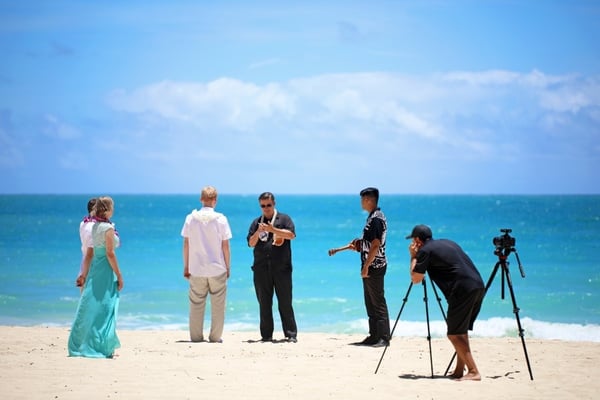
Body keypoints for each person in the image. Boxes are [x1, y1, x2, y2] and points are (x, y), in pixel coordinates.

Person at [407, 224, 485, 381]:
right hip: (477, 286)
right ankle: (458, 370)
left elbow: (416, 278)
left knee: (454, 334)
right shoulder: (448, 242)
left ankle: (473, 371)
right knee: (461, 332)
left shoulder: (424, 251)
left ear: (417, 240)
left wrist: (413, 256)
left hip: (462, 290)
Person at [68, 196, 124, 358]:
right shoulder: (107, 228)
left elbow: (91, 252)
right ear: (107, 210)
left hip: (96, 266)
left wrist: (83, 273)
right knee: (106, 307)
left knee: (92, 306)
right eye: (113, 207)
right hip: (104, 268)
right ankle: (104, 346)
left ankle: (86, 343)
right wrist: (119, 275)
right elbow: (110, 253)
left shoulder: (93, 226)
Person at [181, 186, 232, 343]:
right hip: (217, 268)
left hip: (196, 269)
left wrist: (186, 266)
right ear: (215, 200)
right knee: (218, 305)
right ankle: (215, 337)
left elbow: (186, 244)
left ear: (201, 199)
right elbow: (225, 246)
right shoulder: (221, 219)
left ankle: (196, 337)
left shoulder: (191, 218)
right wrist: (228, 267)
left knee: (196, 304)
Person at [247, 192, 298, 343]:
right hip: (261, 268)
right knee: (264, 303)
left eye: (268, 205)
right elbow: (251, 243)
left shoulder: (284, 219)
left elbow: (291, 235)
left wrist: (273, 230)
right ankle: (266, 335)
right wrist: (259, 231)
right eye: (263, 206)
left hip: (282, 268)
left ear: (274, 204)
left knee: (285, 302)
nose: (266, 208)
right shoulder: (257, 222)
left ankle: (290, 334)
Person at [348, 187, 391, 347]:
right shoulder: (372, 217)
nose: (361, 203)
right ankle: (374, 335)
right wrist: (359, 246)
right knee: (370, 302)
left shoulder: (377, 219)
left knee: (378, 301)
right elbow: (369, 243)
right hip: (370, 264)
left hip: (375, 266)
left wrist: (366, 266)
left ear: (369, 200)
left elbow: (376, 245)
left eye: (362, 199)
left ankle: (384, 338)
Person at [76, 198, 96, 293]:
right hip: (92, 265)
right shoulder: (93, 227)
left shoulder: (83, 223)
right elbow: (90, 253)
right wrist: (84, 275)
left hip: (84, 262)